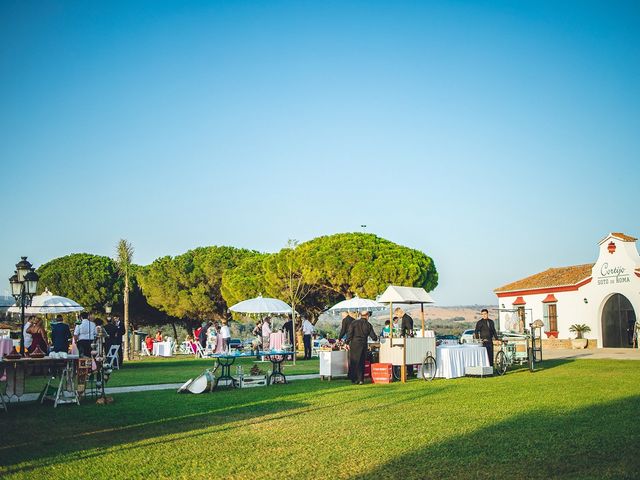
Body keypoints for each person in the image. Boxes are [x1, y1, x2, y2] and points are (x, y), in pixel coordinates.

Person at [346, 311, 378, 385]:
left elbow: (349, 333)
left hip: (354, 344)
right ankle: (361, 379)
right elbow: (374, 337)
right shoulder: (368, 325)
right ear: (367, 316)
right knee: (361, 361)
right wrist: (376, 338)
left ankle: (354, 378)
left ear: (360, 315)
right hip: (363, 344)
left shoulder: (354, 323)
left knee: (354, 361)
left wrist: (347, 342)